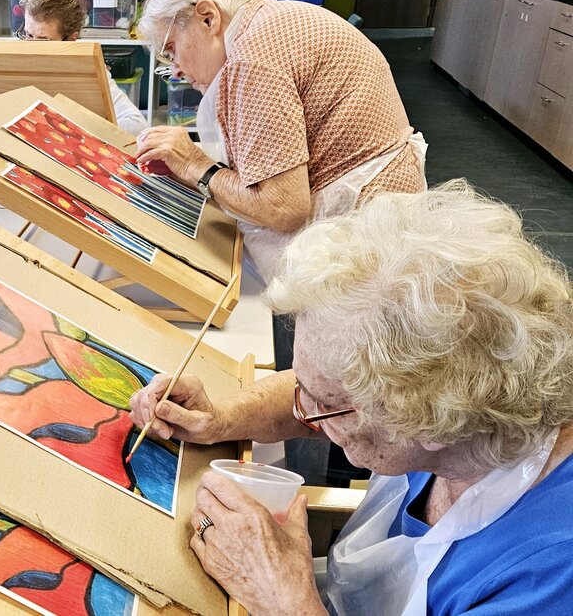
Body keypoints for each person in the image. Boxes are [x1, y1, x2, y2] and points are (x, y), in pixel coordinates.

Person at [129, 181, 573, 614]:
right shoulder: (463, 407)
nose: (303, 408)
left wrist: (286, 602)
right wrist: (223, 417)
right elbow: (323, 392)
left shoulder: (546, 576)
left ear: (429, 421)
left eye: (324, 402)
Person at [134, 0, 427, 283]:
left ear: (208, 18)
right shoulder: (273, 22)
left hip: (366, 245)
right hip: (385, 220)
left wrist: (193, 164)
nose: (176, 72)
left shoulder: (253, 57)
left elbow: (283, 207)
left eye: (171, 50)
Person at [20, 0, 149, 136]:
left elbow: (137, 124)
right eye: (28, 35)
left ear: (71, 39)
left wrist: (80, 127)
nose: (31, 48)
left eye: (43, 40)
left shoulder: (88, 72)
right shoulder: (12, 62)